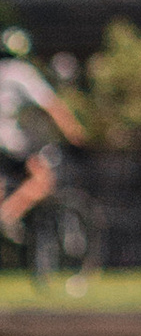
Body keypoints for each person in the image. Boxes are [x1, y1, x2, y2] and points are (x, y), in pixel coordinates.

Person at [0, 30, 82, 244]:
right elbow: (51, 105)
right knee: (43, 181)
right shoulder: (22, 73)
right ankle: (8, 215)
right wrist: (74, 133)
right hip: (11, 141)